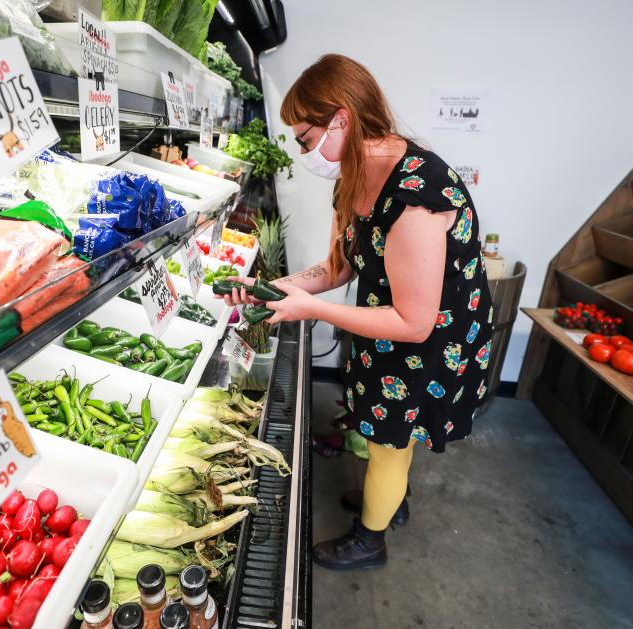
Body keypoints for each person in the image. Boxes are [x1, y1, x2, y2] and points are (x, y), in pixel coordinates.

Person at [219, 54, 494, 570]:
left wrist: (311, 309)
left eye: (304, 138)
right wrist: (272, 288)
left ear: (340, 119)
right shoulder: (352, 175)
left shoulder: (417, 194)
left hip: (433, 336)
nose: (302, 152)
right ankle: (388, 502)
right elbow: (337, 267)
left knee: (390, 440)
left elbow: (415, 322)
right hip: (386, 322)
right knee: (382, 432)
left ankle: (370, 539)